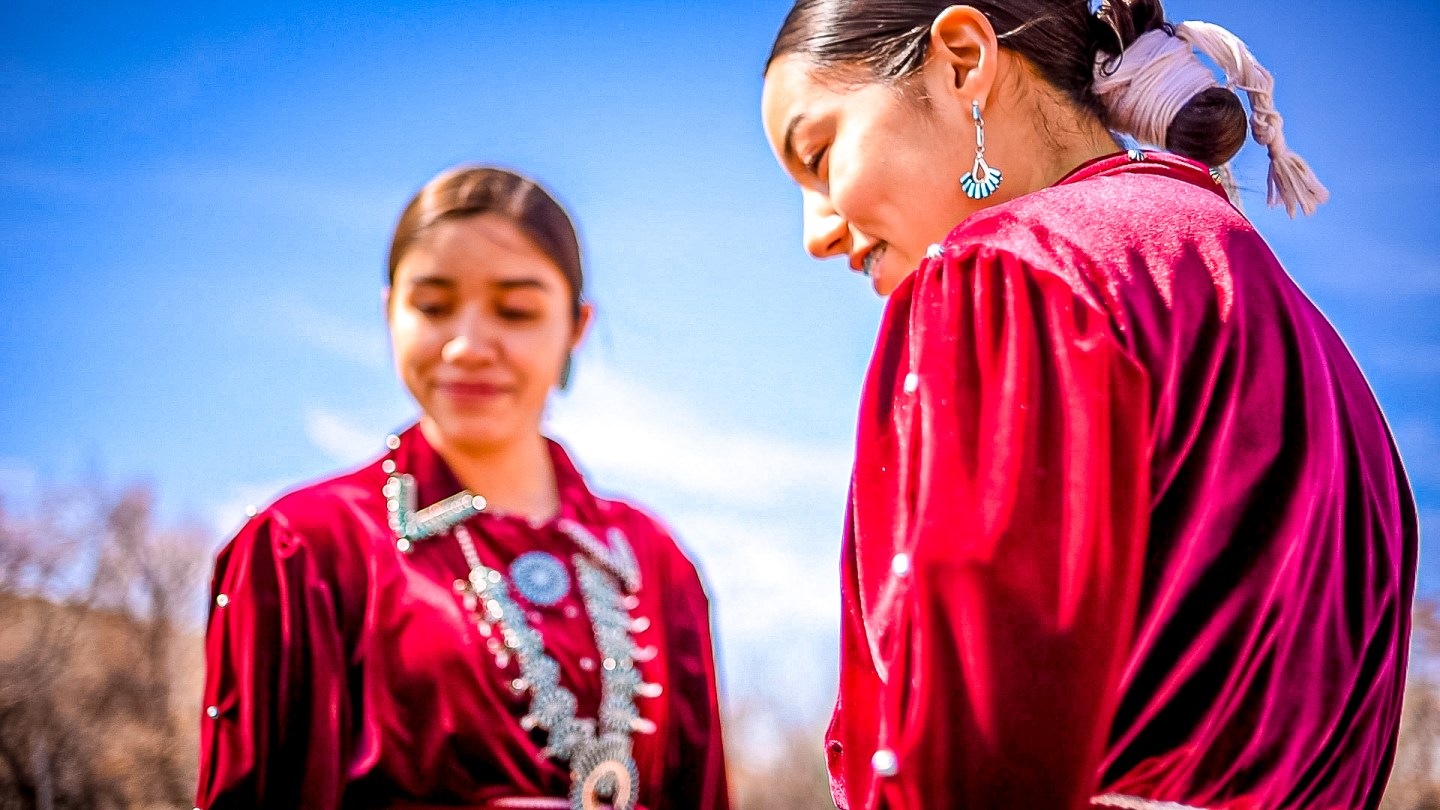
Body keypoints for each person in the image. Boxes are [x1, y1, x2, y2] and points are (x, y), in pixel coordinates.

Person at [760, 1, 1416, 808]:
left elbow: (977, 751)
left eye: (820, 154)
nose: (814, 233)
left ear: (963, 60)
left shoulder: (1009, 275)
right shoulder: (1318, 353)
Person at [194, 167, 729, 810]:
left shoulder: (654, 561)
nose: (469, 346)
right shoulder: (303, 550)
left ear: (576, 329)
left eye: (517, 310)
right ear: (389, 313)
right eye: (433, 305)